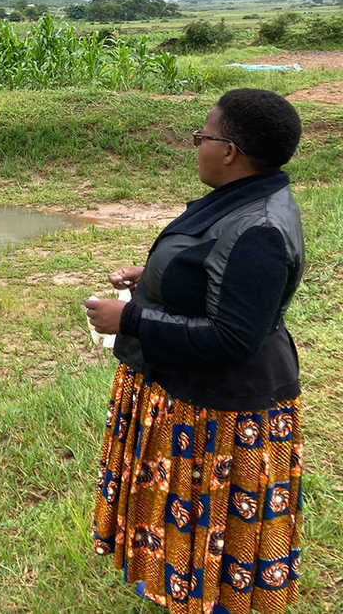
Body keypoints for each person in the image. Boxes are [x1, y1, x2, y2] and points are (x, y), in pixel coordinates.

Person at [84, 89, 305, 614]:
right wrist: (156, 279)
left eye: (201, 137)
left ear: (229, 150)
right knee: (184, 530)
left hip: (221, 408)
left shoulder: (261, 229)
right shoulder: (244, 199)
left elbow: (232, 337)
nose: (197, 147)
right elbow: (214, 277)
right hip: (192, 392)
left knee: (211, 534)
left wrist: (131, 317)